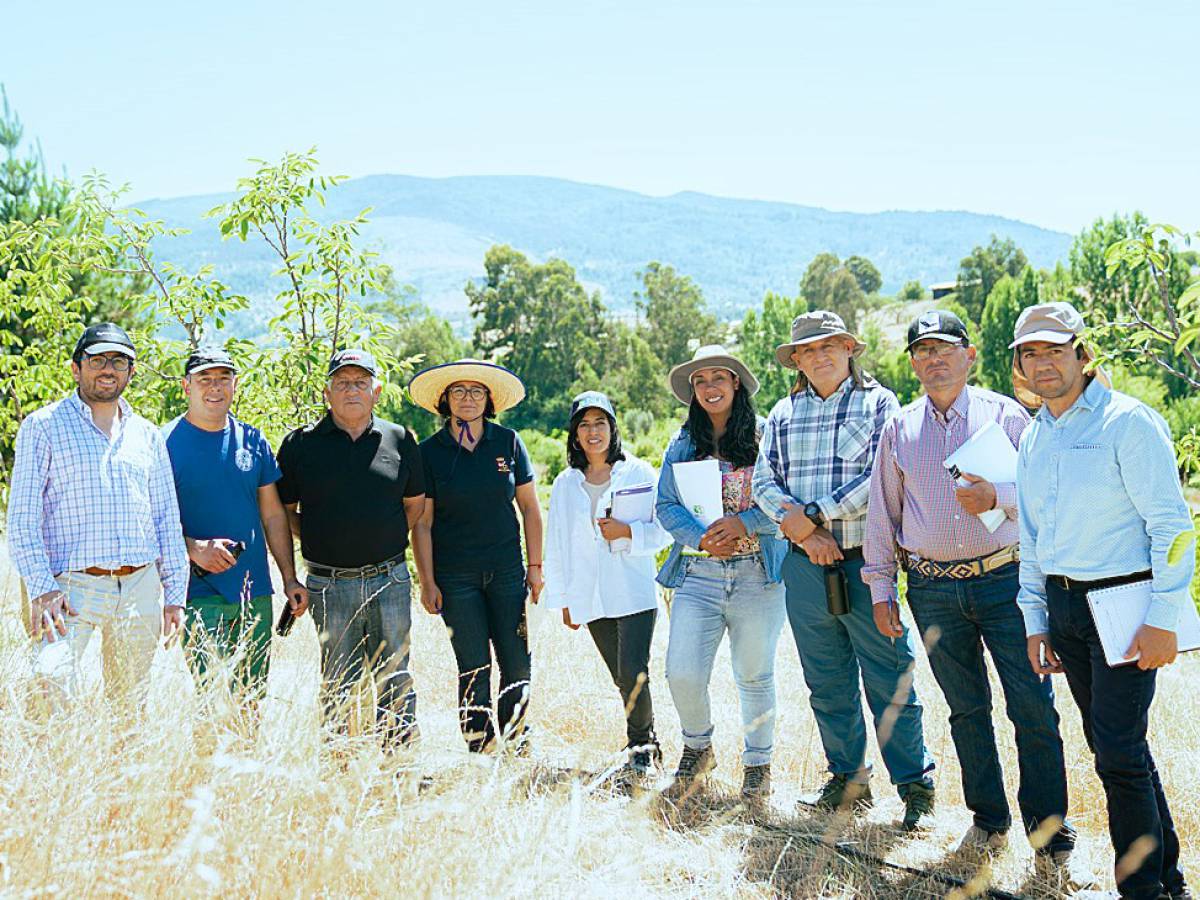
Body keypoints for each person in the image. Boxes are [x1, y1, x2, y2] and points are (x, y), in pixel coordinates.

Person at [862, 310, 1076, 861]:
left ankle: (1048, 832)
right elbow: (883, 516)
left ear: (970, 355)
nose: (934, 359)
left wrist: (999, 497)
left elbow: (1047, 490)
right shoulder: (900, 429)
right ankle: (988, 819)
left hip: (1006, 579)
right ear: (912, 363)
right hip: (932, 588)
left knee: (1032, 705)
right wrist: (881, 589)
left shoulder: (1007, 416)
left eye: (945, 348)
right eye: (923, 351)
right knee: (965, 709)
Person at [1014, 302, 1192, 900]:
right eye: (1030, 353)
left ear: (1082, 353)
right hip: (1065, 611)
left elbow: (1173, 527)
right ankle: (1168, 882)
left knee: (1116, 752)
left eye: (1054, 349)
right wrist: (1037, 621)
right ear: (1018, 365)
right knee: (1119, 748)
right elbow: (1032, 538)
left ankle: (1140, 891)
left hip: (1125, 604)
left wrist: (1163, 618)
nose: (1043, 363)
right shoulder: (1035, 434)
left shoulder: (1128, 422)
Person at [752, 310, 935, 828]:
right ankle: (847, 779)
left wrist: (813, 516)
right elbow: (765, 485)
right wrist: (809, 537)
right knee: (826, 680)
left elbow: (880, 477)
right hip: (806, 567)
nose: (820, 355)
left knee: (889, 675)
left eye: (829, 345)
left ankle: (915, 786)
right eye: (808, 350)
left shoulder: (880, 405)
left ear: (850, 348)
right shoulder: (783, 413)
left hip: (866, 563)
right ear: (797, 360)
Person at [7, 322, 189, 700]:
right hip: (71, 587)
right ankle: (60, 761)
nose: (108, 368)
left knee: (132, 702)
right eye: (98, 359)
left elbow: (166, 520)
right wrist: (42, 590)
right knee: (50, 683)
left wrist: (174, 595)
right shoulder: (43, 427)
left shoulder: (147, 435)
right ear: (76, 368)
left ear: (131, 372)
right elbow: (22, 520)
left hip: (139, 586)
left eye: (119, 361)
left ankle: (123, 762)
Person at [276, 349, 426, 748]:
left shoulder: (400, 438)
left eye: (361, 382)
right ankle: (339, 769)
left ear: (376, 391)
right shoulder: (300, 445)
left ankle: (397, 767)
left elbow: (415, 505)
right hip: (328, 585)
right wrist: (319, 538)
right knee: (337, 681)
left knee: (395, 676)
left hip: (389, 580)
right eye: (342, 383)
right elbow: (284, 511)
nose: (352, 390)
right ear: (327, 393)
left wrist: (381, 536)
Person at [656, 345, 787, 801]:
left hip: (757, 572)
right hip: (700, 573)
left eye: (719, 377)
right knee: (682, 672)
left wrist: (745, 522)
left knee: (754, 673)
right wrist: (699, 536)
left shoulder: (766, 436)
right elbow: (665, 506)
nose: (710, 387)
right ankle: (698, 745)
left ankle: (758, 764)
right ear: (693, 391)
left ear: (736, 384)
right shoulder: (681, 443)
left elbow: (785, 501)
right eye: (701, 381)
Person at [408, 359, 543, 753]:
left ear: (488, 400)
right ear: (445, 400)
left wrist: (535, 568)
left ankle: (517, 743)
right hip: (455, 577)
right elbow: (423, 524)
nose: (468, 399)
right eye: (459, 392)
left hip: (506, 571)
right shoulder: (429, 453)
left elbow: (531, 509)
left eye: (476, 392)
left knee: (516, 661)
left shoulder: (508, 442)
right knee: (473, 667)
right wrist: (427, 581)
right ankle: (480, 749)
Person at [162, 347, 308, 696]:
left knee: (250, 698)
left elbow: (273, 515)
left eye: (223, 378)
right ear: (186, 386)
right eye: (204, 379)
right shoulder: (162, 442)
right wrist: (193, 548)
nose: (215, 387)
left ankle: (247, 753)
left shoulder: (253, 440)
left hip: (253, 590)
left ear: (235, 384)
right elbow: (148, 521)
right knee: (210, 695)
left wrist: (289, 578)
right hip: (197, 592)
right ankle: (207, 754)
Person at [543, 391, 671, 778]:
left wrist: (628, 532)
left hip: (632, 591)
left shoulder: (639, 473)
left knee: (633, 671)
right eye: (584, 424)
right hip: (590, 595)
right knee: (620, 677)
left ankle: (641, 749)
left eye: (600, 423)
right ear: (575, 434)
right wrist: (564, 598)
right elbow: (557, 543)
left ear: (612, 428)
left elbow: (665, 528)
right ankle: (648, 738)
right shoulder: (566, 484)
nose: (592, 431)